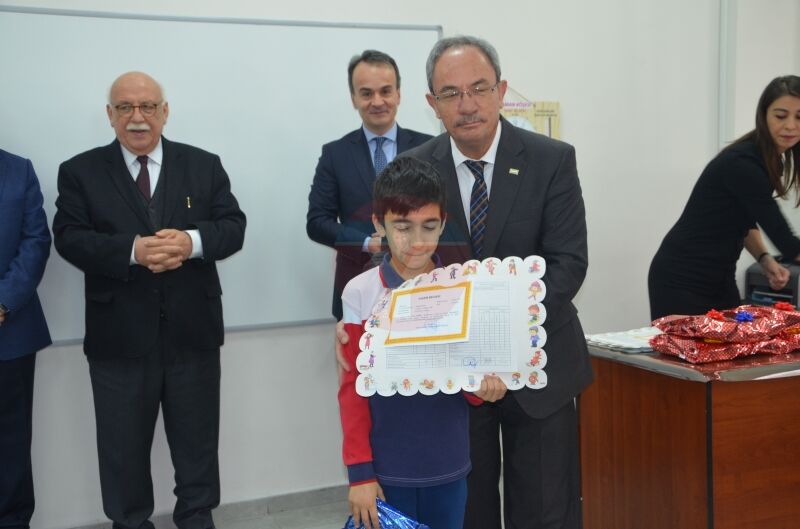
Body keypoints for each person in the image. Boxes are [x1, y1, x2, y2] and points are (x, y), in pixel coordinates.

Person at [338, 36, 592, 529]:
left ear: (501, 90)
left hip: (539, 364)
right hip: (452, 382)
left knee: (545, 509)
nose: (467, 104)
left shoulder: (551, 159)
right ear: (432, 103)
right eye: (451, 93)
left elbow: (568, 263)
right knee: (469, 513)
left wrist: (500, 339)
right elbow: (403, 263)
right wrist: (362, 327)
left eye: (479, 88)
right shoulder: (414, 167)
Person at [52, 71, 246, 529]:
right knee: (122, 455)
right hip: (118, 341)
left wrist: (192, 242)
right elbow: (69, 238)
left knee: (197, 450)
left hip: (193, 336)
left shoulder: (204, 164)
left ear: (164, 111)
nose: (137, 117)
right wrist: (132, 251)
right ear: (110, 114)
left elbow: (233, 227)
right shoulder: (79, 171)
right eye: (125, 107)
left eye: (147, 107)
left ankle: (196, 520)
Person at [339, 156, 506, 529]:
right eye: (402, 227)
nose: (417, 242)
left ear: (443, 223)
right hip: (385, 470)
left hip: (448, 465)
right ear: (379, 223)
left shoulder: (463, 288)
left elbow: (469, 376)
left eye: (429, 226)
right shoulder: (360, 293)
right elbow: (352, 388)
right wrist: (360, 473)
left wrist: (484, 389)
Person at [649, 75, 800, 320]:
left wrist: (765, 259)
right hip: (682, 277)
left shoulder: (770, 161)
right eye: (781, 116)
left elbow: (745, 219)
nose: (791, 126)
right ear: (763, 115)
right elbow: (785, 240)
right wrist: (780, 254)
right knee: (685, 346)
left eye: (799, 117)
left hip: (720, 277)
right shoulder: (744, 163)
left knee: (735, 341)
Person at [307, 49, 432, 320]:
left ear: (398, 94)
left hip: (422, 286)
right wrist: (367, 243)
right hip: (357, 286)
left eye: (385, 91)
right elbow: (317, 222)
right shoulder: (335, 154)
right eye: (366, 93)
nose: (377, 101)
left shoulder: (429, 147)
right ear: (354, 98)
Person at [0, 150, 51, 529]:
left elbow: (36, 240)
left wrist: (4, 302)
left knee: (11, 446)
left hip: (10, 332)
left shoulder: (18, 170)